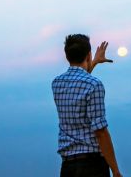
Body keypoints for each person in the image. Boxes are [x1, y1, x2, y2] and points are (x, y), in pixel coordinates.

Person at [52, 34, 123, 177]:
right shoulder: (94, 85)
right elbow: (100, 131)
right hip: (92, 165)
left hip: (67, 167)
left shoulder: (57, 84)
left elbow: (78, 83)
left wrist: (94, 62)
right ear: (88, 54)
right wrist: (115, 170)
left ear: (67, 56)